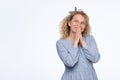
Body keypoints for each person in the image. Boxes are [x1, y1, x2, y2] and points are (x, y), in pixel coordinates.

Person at [56, 8, 101, 80]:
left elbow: (95, 58)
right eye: (76, 21)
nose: (79, 25)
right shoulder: (61, 43)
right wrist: (76, 41)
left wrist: (82, 41)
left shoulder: (90, 39)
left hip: (89, 77)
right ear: (69, 23)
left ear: (85, 26)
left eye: (82, 23)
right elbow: (70, 63)